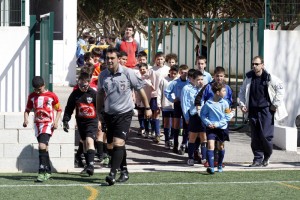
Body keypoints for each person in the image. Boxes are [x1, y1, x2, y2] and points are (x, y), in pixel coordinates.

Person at [97, 48, 152, 186]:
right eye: (107, 58)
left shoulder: (128, 73)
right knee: (111, 146)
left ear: (118, 59)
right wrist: (99, 113)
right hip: (109, 114)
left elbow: (140, 89)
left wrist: (147, 107)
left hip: (125, 113)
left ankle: (112, 174)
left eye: (112, 58)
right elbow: (99, 94)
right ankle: (124, 170)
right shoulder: (103, 75)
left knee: (118, 143)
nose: (109, 61)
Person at [238, 56, 288, 167]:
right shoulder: (249, 77)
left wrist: (275, 104)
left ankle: (267, 155)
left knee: (266, 136)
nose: (254, 66)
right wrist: (242, 105)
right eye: (253, 64)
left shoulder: (269, 77)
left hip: (266, 110)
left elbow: (280, 89)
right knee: (255, 136)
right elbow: (241, 92)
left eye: (257, 64)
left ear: (262, 65)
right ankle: (257, 159)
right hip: (253, 111)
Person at [23, 76, 62, 182]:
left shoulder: (52, 96)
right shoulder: (32, 96)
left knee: (41, 145)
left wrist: (56, 121)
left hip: (48, 124)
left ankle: (41, 171)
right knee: (44, 148)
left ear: (44, 85)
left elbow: (59, 109)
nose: (37, 92)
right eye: (35, 89)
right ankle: (48, 171)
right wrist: (26, 119)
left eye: (39, 89)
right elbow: (27, 110)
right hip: (37, 125)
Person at [194, 66, 234, 167]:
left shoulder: (227, 88)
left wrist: (231, 111)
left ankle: (218, 161)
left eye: (221, 76)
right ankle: (208, 160)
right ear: (214, 76)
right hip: (210, 120)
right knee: (209, 140)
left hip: (222, 120)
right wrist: (200, 110)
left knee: (220, 143)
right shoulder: (208, 87)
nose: (219, 78)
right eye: (217, 76)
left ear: (224, 76)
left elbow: (232, 102)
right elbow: (199, 98)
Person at [62, 72, 98, 176]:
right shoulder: (75, 94)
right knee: (85, 143)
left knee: (89, 140)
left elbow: (100, 109)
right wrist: (66, 120)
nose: (83, 88)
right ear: (78, 83)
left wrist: (101, 122)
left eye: (85, 86)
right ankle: (88, 166)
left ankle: (91, 165)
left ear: (89, 83)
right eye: (81, 85)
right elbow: (69, 108)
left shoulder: (93, 94)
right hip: (81, 122)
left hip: (92, 121)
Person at [200, 82, 235, 174]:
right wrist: (208, 123)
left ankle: (219, 164)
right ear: (217, 92)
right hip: (211, 128)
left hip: (221, 128)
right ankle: (211, 167)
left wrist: (218, 124)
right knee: (211, 145)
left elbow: (227, 117)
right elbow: (202, 115)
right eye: (223, 91)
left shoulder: (225, 103)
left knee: (221, 147)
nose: (225, 92)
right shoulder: (208, 103)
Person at [181, 70, 205, 166]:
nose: (200, 81)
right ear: (193, 80)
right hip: (193, 115)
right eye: (198, 79)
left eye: (202, 79)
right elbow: (185, 104)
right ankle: (190, 157)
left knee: (204, 137)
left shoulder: (205, 88)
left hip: (203, 116)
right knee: (192, 137)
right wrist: (187, 117)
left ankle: (204, 157)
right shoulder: (187, 89)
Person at [164, 64, 189, 154]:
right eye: (182, 72)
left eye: (186, 73)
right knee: (176, 124)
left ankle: (184, 144)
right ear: (179, 73)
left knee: (187, 125)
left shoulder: (189, 82)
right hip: (178, 105)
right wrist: (172, 99)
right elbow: (167, 92)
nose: (184, 74)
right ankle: (175, 143)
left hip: (187, 106)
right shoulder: (175, 82)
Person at [157, 66, 179, 148]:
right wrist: (158, 103)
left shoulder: (178, 81)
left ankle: (171, 138)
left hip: (175, 105)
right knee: (166, 123)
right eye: (171, 73)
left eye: (175, 74)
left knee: (174, 123)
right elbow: (159, 91)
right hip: (165, 104)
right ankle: (166, 140)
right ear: (169, 72)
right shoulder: (164, 80)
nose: (173, 75)